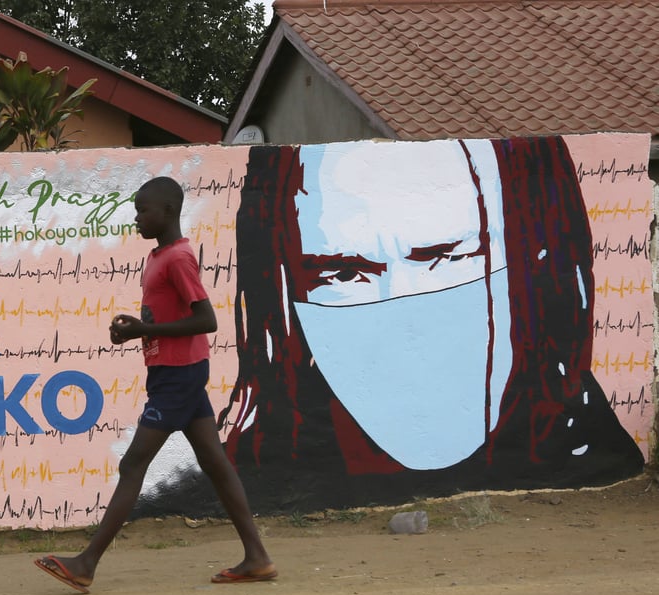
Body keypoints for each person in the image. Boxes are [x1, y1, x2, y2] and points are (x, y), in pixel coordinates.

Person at [219, 137, 644, 514]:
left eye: (453, 257)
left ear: (538, 261)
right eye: (344, 275)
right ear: (284, 296)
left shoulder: (602, 457)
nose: (404, 327)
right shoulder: (253, 467)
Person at [34, 176, 276, 594]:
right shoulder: (158, 256)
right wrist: (138, 328)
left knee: (133, 464)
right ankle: (256, 557)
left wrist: (144, 328)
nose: (137, 217)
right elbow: (168, 316)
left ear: (168, 211)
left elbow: (207, 320)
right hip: (176, 373)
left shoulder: (179, 258)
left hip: (178, 377)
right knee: (216, 464)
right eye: (136, 209)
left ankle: (86, 563)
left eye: (143, 210)